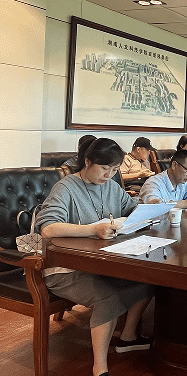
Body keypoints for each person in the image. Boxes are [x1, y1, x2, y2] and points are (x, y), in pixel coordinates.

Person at [34, 138, 154, 376]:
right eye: (104, 168)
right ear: (87, 162)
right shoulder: (66, 187)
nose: (109, 175)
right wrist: (93, 229)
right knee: (107, 299)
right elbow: (48, 229)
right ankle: (100, 367)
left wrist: (149, 209)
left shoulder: (111, 186)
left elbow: (132, 211)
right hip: (65, 269)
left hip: (99, 263)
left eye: (115, 169)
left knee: (147, 283)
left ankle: (128, 337)